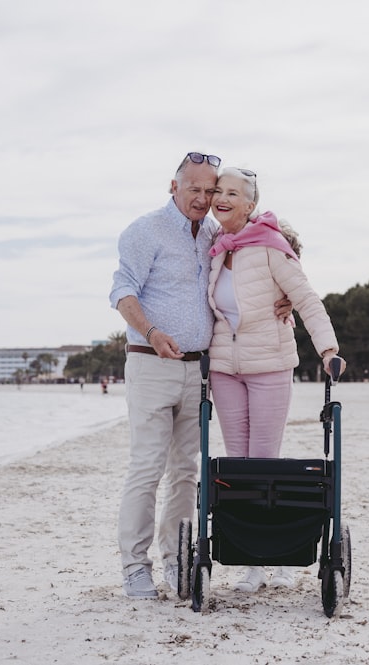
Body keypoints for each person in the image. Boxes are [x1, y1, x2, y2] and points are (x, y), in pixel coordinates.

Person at [109, 152, 291, 599]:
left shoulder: (214, 233)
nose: (202, 197)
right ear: (173, 187)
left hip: (200, 370)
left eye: (209, 190)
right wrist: (151, 333)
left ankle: (175, 560)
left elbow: (273, 243)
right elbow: (121, 289)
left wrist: (284, 291)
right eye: (193, 188)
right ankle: (135, 567)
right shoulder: (144, 230)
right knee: (146, 468)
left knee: (186, 473)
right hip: (151, 364)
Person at [206, 166, 344, 593]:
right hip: (225, 368)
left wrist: (328, 349)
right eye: (218, 191)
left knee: (264, 462)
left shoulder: (269, 245)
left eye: (232, 193)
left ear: (251, 204)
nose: (221, 198)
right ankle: (252, 560)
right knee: (237, 466)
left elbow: (304, 297)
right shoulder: (215, 247)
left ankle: (273, 558)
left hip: (269, 365)